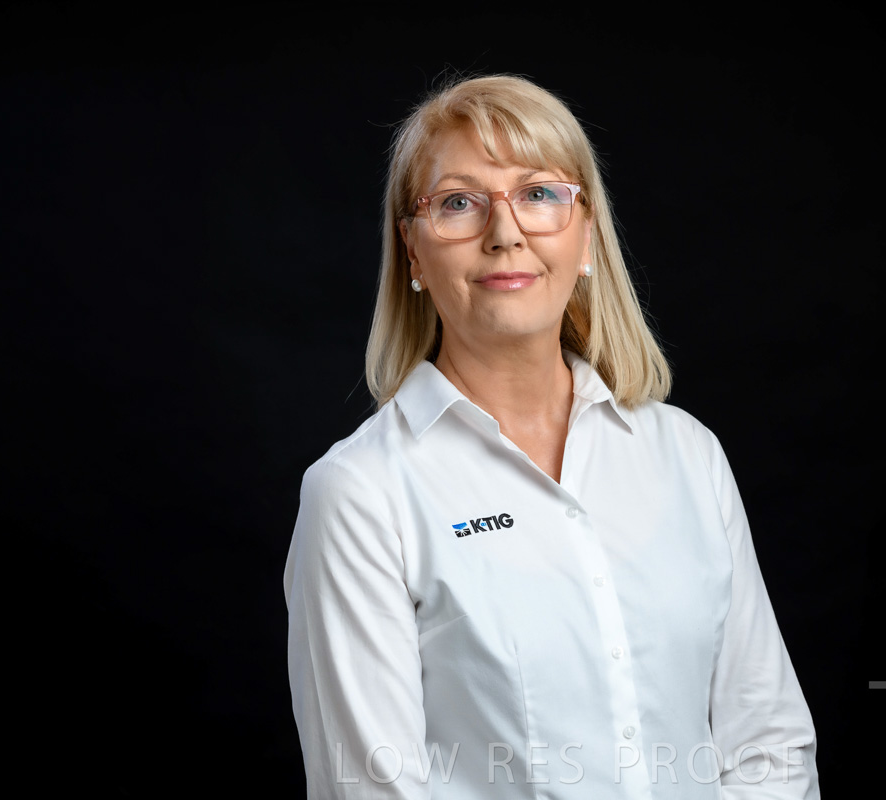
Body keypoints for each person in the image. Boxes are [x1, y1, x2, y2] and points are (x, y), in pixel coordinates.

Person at [284, 74, 820, 799]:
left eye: (539, 194)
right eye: (459, 203)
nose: (505, 234)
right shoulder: (360, 494)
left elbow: (769, 746)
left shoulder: (687, 455)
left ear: (585, 233)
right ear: (412, 251)